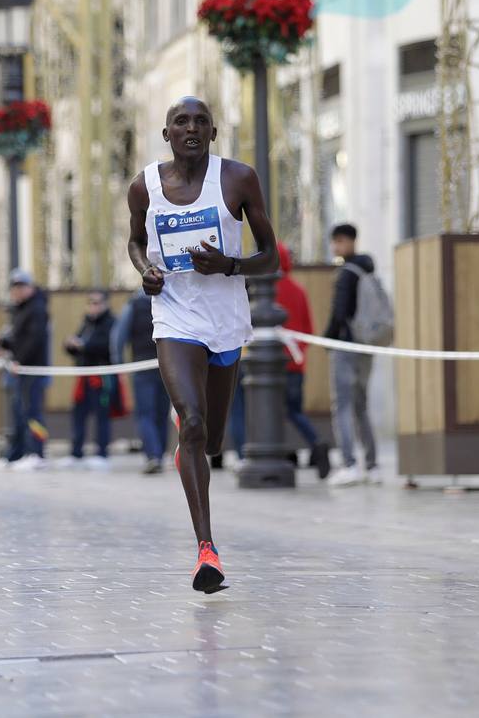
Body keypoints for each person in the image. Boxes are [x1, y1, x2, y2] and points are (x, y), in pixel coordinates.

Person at [127, 95, 278, 594]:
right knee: (191, 421)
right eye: (180, 122)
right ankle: (206, 551)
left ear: (213, 133)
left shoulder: (238, 178)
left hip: (226, 318)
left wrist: (230, 265)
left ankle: (193, 439)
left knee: (209, 441)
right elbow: (134, 241)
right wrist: (146, 271)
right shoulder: (144, 186)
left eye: (200, 121)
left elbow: (272, 257)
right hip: (173, 314)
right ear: (166, 134)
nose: (190, 128)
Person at [222, 244, 331, 477]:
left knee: (244, 409)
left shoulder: (256, 289)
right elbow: (308, 328)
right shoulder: (299, 290)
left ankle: (244, 456)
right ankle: (316, 441)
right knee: (293, 410)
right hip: (294, 362)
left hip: (258, 361)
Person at [324, 223, 381, 487]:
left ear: (348, 241)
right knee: (361, 405)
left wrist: (327, 339)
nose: (336, 247)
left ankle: (349, 464)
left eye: (339, 242)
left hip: (346, 345)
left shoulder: (346, 273)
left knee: (343, 406)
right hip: (366, 346)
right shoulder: (368, 268)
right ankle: (372, 465)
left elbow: (339, 313)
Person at [0, 269, 51, 471]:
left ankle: (36, 453)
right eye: (14, 287)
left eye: (21, 287)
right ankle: (15, 454)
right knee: (18, 412)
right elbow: (19, 339)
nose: (17, 291)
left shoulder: (37, 308)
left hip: (32, 369)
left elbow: (34, 341)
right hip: (20, 369)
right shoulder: (20, 309)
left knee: (33, 413)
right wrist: (4, 343)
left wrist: (20, 359)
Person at [113, 290, 171, 475]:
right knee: (162, 413)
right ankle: (159, 455)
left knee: (146, 414)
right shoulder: (169, 300)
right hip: (167, 365)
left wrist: (118, 364)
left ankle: (153, 456)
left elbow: (118, 336)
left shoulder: (133, 304)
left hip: (142, 367)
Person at [60, 291, 117, 469]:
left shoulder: (111, 323)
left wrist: (84, 345)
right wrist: (70, 345)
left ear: (105, 304)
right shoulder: (86, 323)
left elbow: (107, 347)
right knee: (78, 415)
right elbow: (78, 347)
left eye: (97, 302)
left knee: (102, 416)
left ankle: (102, 453)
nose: (93, 306)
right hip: (83, 377)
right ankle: (76, 453)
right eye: (90, 302)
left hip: (101, 377)